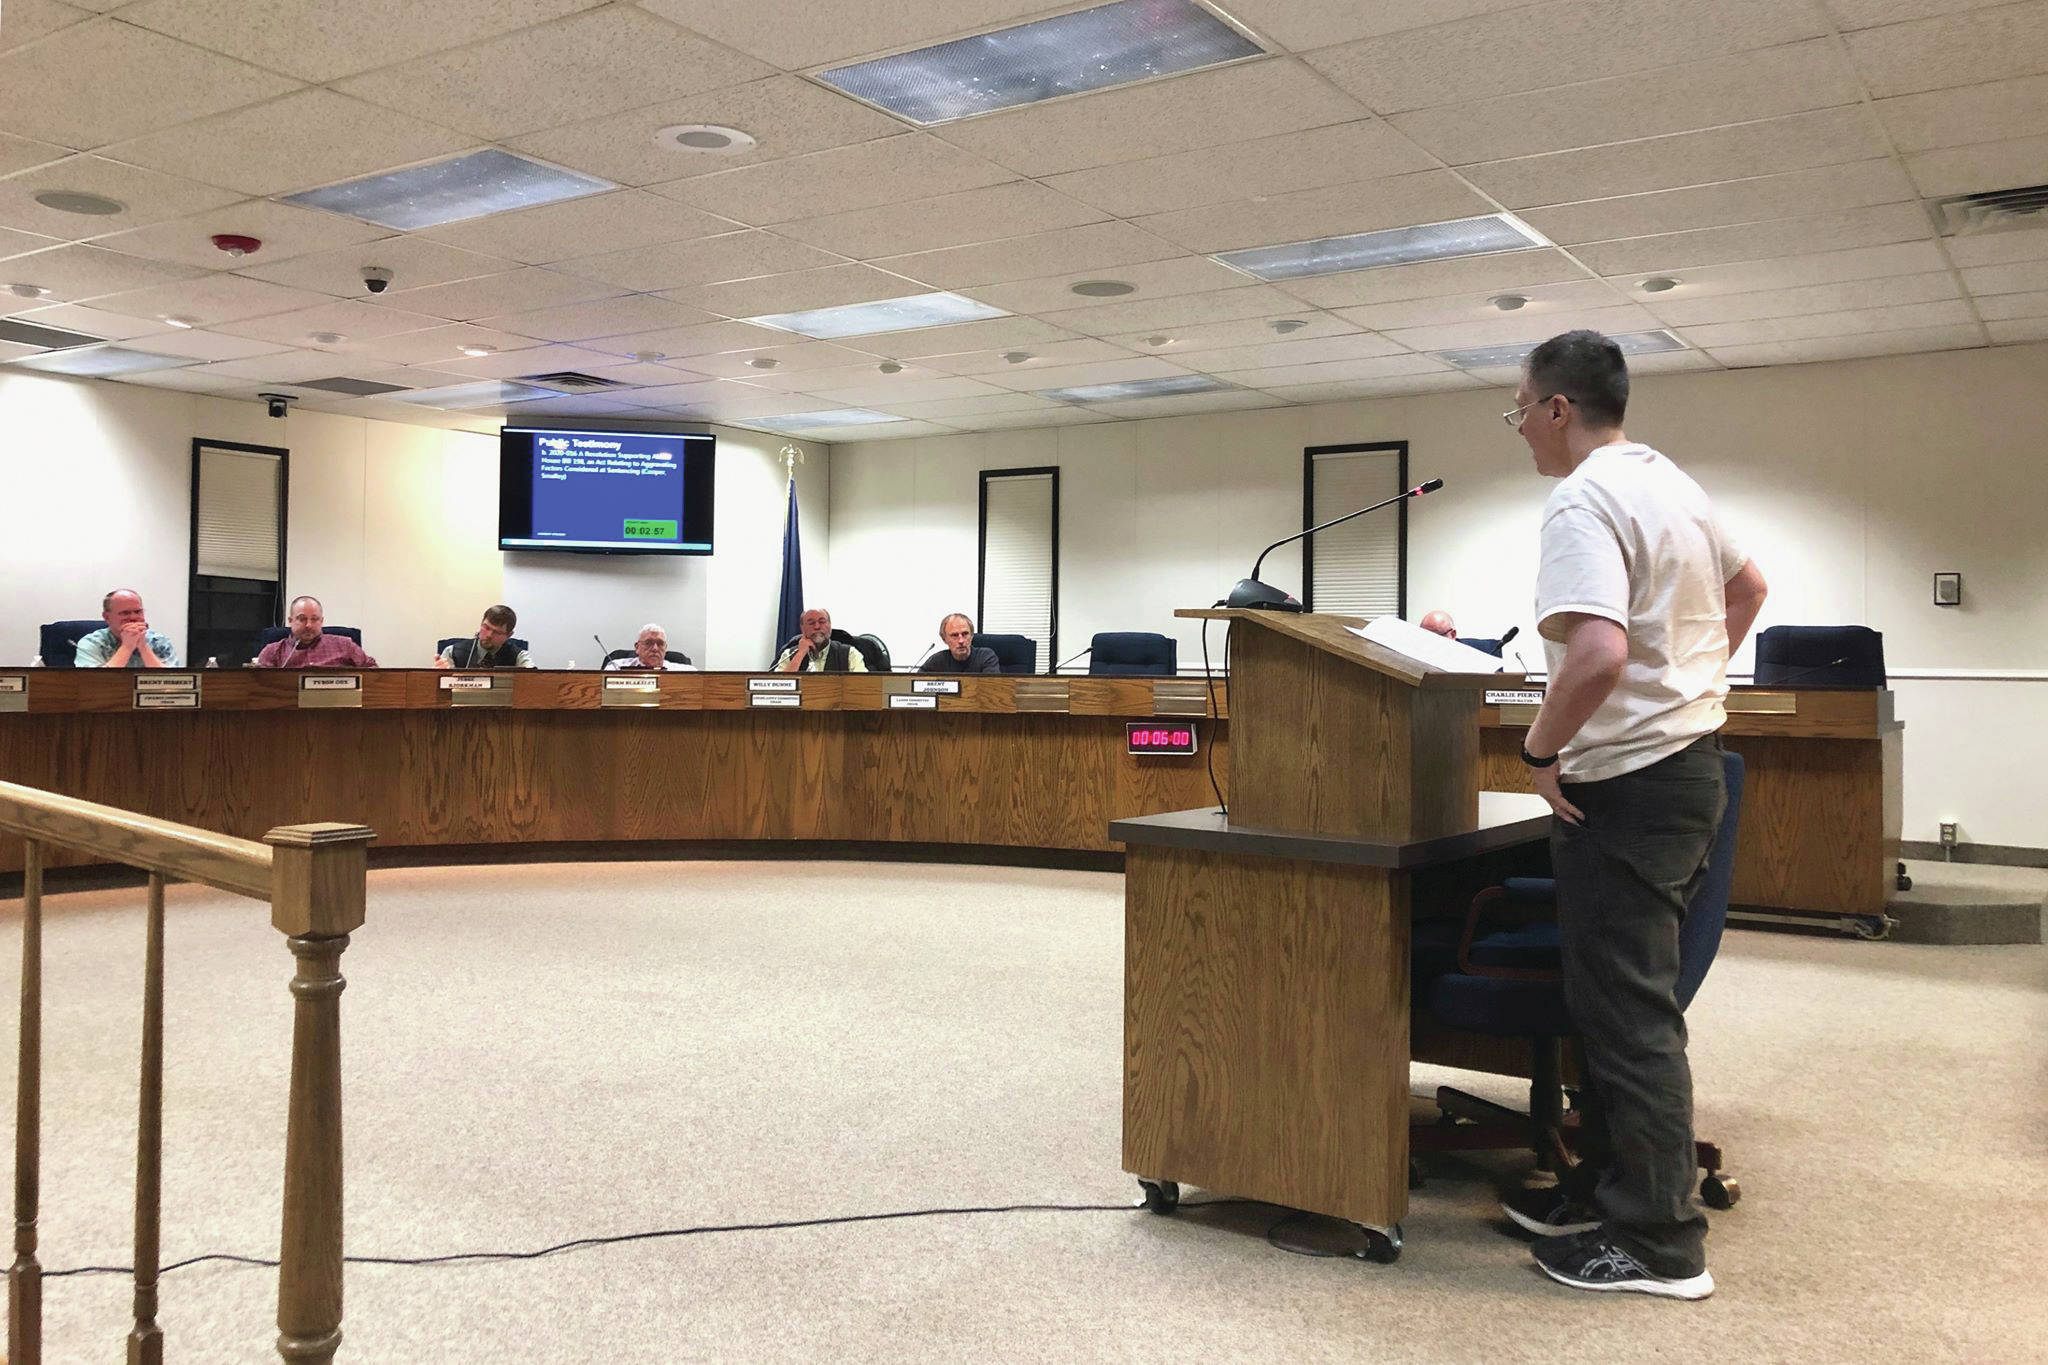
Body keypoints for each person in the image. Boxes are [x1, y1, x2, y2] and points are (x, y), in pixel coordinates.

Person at [1503, 330, 1768, 1301]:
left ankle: (1658, 1243)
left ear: (1557, 408)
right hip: (1687, 766)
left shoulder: (1579, 497)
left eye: (1520, 408)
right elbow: (1748, 590)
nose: (1519, 427)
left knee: (1624, 1017)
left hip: (1628, 784)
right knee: (1622, 1003)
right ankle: (1608, 1191)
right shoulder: (1669, 483)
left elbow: (1597, 656)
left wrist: (1537, 750)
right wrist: (1691, 683)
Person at [253, 596, 378, 668]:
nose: (308, 625)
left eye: (314, 619)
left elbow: (373, 670)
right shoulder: (273, 651)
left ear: (321, 621)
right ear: (291, 621)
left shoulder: (345, 645)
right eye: (302, 619)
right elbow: (259, 687)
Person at [74, 589, 180, 668]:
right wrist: (127, 647)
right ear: (107, 617)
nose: (133, 618)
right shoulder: (91, 643)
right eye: (125, 613)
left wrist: (143, 646)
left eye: (138, 612)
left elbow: (172, 682)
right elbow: (95, 683)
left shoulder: (158, 641)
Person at [435, 605, 534, 669]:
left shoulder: (519, 656)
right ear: (481, 623)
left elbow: (533, 681)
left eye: (497, 632)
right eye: (486, 627)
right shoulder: (452, 652)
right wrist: (440, 675)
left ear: (508, 635)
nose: (489, 635)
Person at [771, 608, 866, 672]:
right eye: (811, 623)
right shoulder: (789, 654)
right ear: (802, 628)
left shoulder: (850, 654)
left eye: (822, 622)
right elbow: (780, 688)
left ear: (830, 625)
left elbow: (864, 687)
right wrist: (800, 654)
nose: (817, 627)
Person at [918, 613, 1000, 673]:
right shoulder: (937, 660)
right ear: (944, 639)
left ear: (972, 636)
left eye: (965, 634)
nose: (961, 641)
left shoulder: (985, 657)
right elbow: (916, 686)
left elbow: (992, 688)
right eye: (954, 635)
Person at [605, 623, 694, 671]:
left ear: (665, 648)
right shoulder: (616, 667)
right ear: (637, 647)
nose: (655, 648)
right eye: (648, 643)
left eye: (660, 643)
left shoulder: (683, 671)